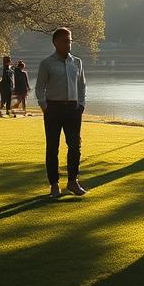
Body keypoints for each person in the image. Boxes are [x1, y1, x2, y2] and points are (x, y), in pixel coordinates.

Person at [35, 28, 87, 198]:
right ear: (55, 42)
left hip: (73, 109)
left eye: (70, 40)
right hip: (53, 109)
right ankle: (54, 184)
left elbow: (81, 85)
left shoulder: (77, 62)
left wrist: (81, 105)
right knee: (52, 148)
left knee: (75, 146)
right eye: (65, 40)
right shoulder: (47, 63)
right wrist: (44, 106)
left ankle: (73, 181)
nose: (68, 43)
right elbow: (39, 87)